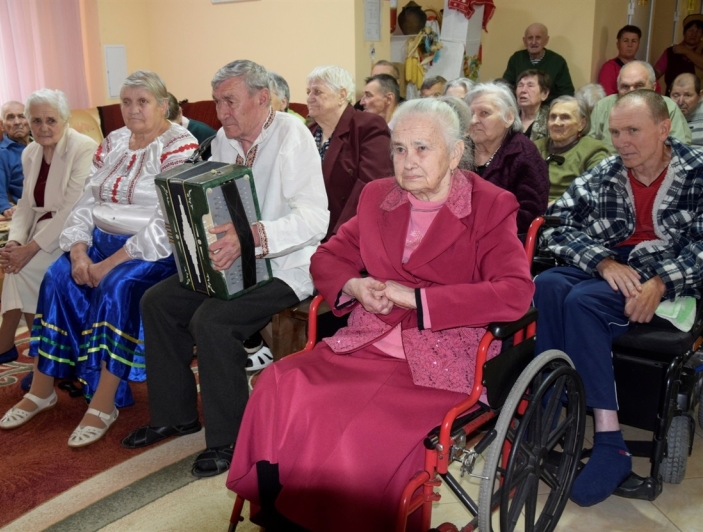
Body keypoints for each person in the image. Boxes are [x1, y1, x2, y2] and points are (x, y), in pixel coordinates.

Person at [225, 98, 534, 531]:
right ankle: (282, 511)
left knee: (362, 427)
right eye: (400, 149)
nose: (407, 162)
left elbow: (515, 293)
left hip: (441, 355)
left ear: (456, 153)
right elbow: (328, 257)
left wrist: (419, 300)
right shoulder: (377, 196)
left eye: (422, 148)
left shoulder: (489, 205)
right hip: (367, 340)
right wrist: (353, 285)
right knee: (280, 384)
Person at [120, 60, 329, 478]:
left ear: (262, 98)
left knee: (213, 321)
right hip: (233, 260)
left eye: (230, 101)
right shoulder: (221, 142)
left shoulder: (293, 137)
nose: (221, 113)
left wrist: (251, 238)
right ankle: (176, 414)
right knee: (158, 301)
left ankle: (229, 439)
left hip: (287, 265)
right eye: (217, 102)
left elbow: (314, 220)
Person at [0, 71, 198, 447]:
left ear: (163, 105)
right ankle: (42, 388)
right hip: (97, 243)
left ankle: (105, 401)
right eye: (126, 101)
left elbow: (166, 224)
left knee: (116, 285)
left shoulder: (180, 146)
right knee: (57, 277)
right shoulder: (115, 141)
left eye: (143, 102)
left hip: (152, 251)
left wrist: (108, 264)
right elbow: (87, 202)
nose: (133, 110)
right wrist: (76, 251)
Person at [535, 89, 703, 507]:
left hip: (664, 270)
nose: (622, 141)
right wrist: (603, 262)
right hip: (612, 264)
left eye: (633, 130)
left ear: (664, 129)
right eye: (615, 132)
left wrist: (662, 282)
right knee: (549, 285)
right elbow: (556, 227)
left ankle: (611, 444)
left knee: (583, 301)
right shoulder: (605, 173)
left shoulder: (698, 174)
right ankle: (554, 407)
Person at [0, 90, 97, 371]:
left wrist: (30, 249)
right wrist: (15, 242)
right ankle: (39, 355)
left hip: (76, 230)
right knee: (15, 262)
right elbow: (24, 205)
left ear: (65, 119)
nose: (43, 127)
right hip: (41, 226)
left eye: (51, 120)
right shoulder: (31, 152)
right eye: (36, 120)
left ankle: (22, 349)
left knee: (25, 266)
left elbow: (72, 208)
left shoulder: (83, 148)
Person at [306, 65, 392, 240]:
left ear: (342, 95)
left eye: (317, 91)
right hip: (311, 233)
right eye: (308, 92)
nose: (309, 98)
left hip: (350, 234)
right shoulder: (308, 132)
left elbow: (371, 185)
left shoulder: (367, 126)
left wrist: (340, 237)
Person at [466, 82, 549, 233]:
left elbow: (530, 213)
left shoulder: (523, 154)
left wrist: (480, 226)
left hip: (502, 239)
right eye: (471, 114)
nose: (473, 121)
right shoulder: (461, 150)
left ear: (509, 117)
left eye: (484, 113)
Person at [590, 61, 691, 149]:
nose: (632, 92)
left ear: (653, 87)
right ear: (618, 88)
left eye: (639, 85)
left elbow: (679, 150)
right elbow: (588, 147)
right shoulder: (603, 106)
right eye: (625, 86)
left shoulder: (668, 107)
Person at [534, 96, 612, 203]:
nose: (556, 122)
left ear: (581, 124)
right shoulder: (535, 147)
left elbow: (595, 190)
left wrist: (556, 205)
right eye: (552, 117)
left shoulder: (593, 150)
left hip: (569, 212)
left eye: (565, 117)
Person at [0, 101, 30, 218]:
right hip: (38, 208)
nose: (17, 122)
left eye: (22, 116)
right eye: (11, 118)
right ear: (2, 125)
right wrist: (6, 208)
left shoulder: (42, 143)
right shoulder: (0, 155)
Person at [502, 23, 574, 103]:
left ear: (546, 40)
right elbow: (505, 86)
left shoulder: (558, 61)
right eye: (530, 38)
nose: (533, 42)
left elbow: (567, 94)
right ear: (524, 41)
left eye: (538, 38)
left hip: (548, 110)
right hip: (521, 108)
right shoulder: (516, 58)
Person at [654, 14, 703, 96]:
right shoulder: (670, 52)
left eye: (698, 31)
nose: (694, 34)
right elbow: (657, 72)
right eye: (690, 30)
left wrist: (686, 51)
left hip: (697, 102)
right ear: (684, 32)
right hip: (672, 99)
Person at [598, 25, 644, 96]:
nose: (630, 45)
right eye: (626, 41)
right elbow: (607, 97)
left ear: (639, 44)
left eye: (634, 41)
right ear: (618, 44)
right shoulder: (609, 68)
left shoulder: (644, 69)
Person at [669, 72, 703, 145]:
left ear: (700, 96)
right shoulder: (663, 111)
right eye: (676, 95)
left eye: (687, 95)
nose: (680, 102)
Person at [516, 69, 550, 141]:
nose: (523, 90)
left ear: (544, 94)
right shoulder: (508, 118)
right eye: (520, 85)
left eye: (530, 86)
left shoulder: (550, 121)